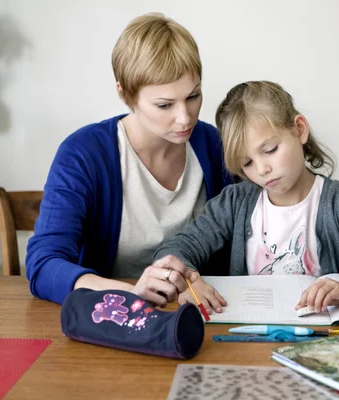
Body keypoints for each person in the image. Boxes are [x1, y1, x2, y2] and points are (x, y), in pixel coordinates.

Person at [151, 81, 339, 315]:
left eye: (269, 149)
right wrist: (189, 281)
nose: (261, 169)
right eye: (247, 163)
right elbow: (174, 250)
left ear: (300, 129)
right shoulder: (235, 202)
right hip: (249, 337)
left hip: (327, 341)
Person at [25, 13, 232, 305]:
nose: (185, 118)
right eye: (164, 104)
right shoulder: (83, 154)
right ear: (125, 94)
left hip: (201, 317)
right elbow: (43, 265)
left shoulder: (214, 146)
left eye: (193, 96)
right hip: (114, 318)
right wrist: (127, 292)